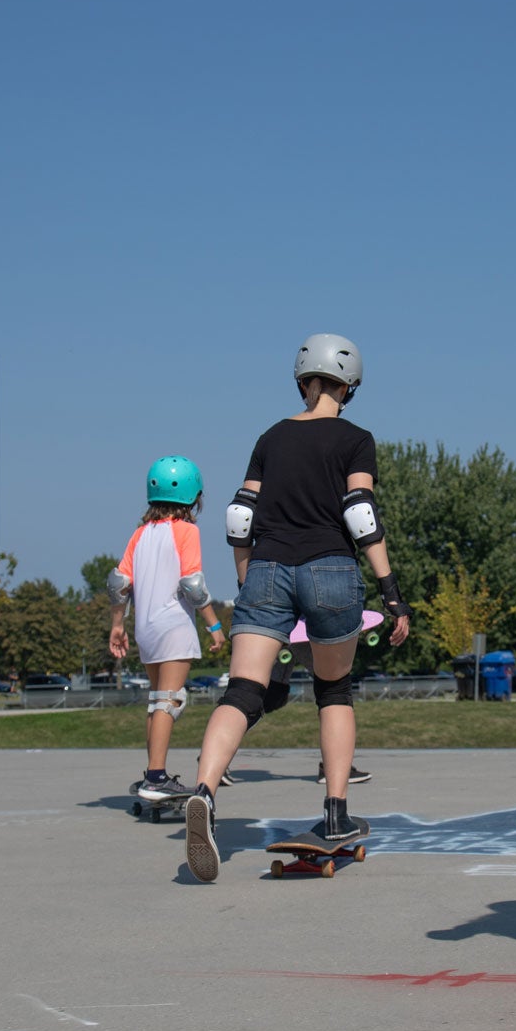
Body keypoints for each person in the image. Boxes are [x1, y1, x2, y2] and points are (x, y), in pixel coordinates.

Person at [183, 334, 412, 882]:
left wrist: (250, 578)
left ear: (301, 378)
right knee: (333, 689)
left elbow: (241, 514)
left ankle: (206, 793)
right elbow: (359, 510)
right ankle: (335, 815)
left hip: (266, 568)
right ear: (349, 385)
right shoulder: (356, 439)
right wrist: (391, 589)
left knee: (244, 690)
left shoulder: (271, 436)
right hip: (332, 568)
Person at [107, 455, 226, 799]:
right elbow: (192, 584)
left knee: (158, 700)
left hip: (145, 628)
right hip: (173, 626)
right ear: (193, 497)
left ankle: (152, 775)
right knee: (170, 701)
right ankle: (156, 779)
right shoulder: (187, 531)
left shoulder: (140, 533)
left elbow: (118, 583)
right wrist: (214, 625)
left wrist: (118, 624)